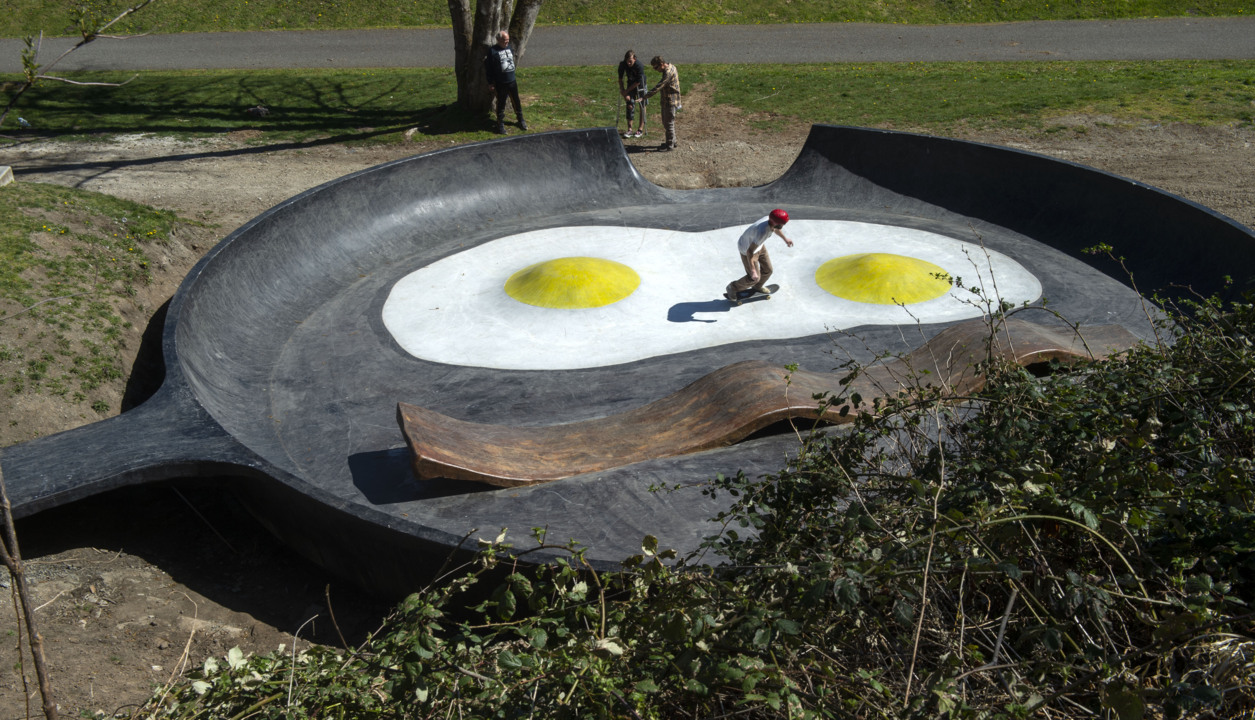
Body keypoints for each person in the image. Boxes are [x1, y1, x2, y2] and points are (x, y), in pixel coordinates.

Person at [725, 209, 794, 301]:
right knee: (753, 278)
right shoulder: (763, 232)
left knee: (768, 270)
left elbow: (776, 228)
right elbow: (750, 251)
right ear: (776, 223)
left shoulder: (769, 220)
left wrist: (785, 239)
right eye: (782, 224)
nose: (783, 225)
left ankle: (757, 287)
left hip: (758, 246)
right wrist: (753, 271)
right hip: (747, 250)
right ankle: (733, 287)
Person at [484, 30, 527, 135]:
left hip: (512, 80)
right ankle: (500, 124)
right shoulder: (492, 51)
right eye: (505, 40)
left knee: (516, 101)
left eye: (508, 40)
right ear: (498, 40)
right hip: (501, 82)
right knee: (501, 103)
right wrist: (490, 83)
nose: (507, 42)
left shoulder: (509, 48)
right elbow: (489, 68)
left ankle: (520, 120)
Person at [644, 56, 680, 151]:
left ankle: (670, 145)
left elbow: (659, 86)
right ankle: (673, 141)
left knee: (669, 124)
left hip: (670, 101)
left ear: (662, 64)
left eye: (656, 67)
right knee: (668, 122)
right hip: (668, 100)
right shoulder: (672, 67)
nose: (655, 70)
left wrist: (645, 96)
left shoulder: (667, 73)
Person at [617, 50, 648, 139]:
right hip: (630, 84)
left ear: (634, 59)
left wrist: (626, 91)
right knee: (629, 102)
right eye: (627, 61)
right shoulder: (623, 65)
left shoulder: (639, 66)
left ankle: (640, 129)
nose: (628, 63)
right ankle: (629, 129)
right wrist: (622, 90)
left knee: (642, 105)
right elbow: (620, 79)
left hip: (640, 85)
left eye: (630, 61)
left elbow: (638, 82)